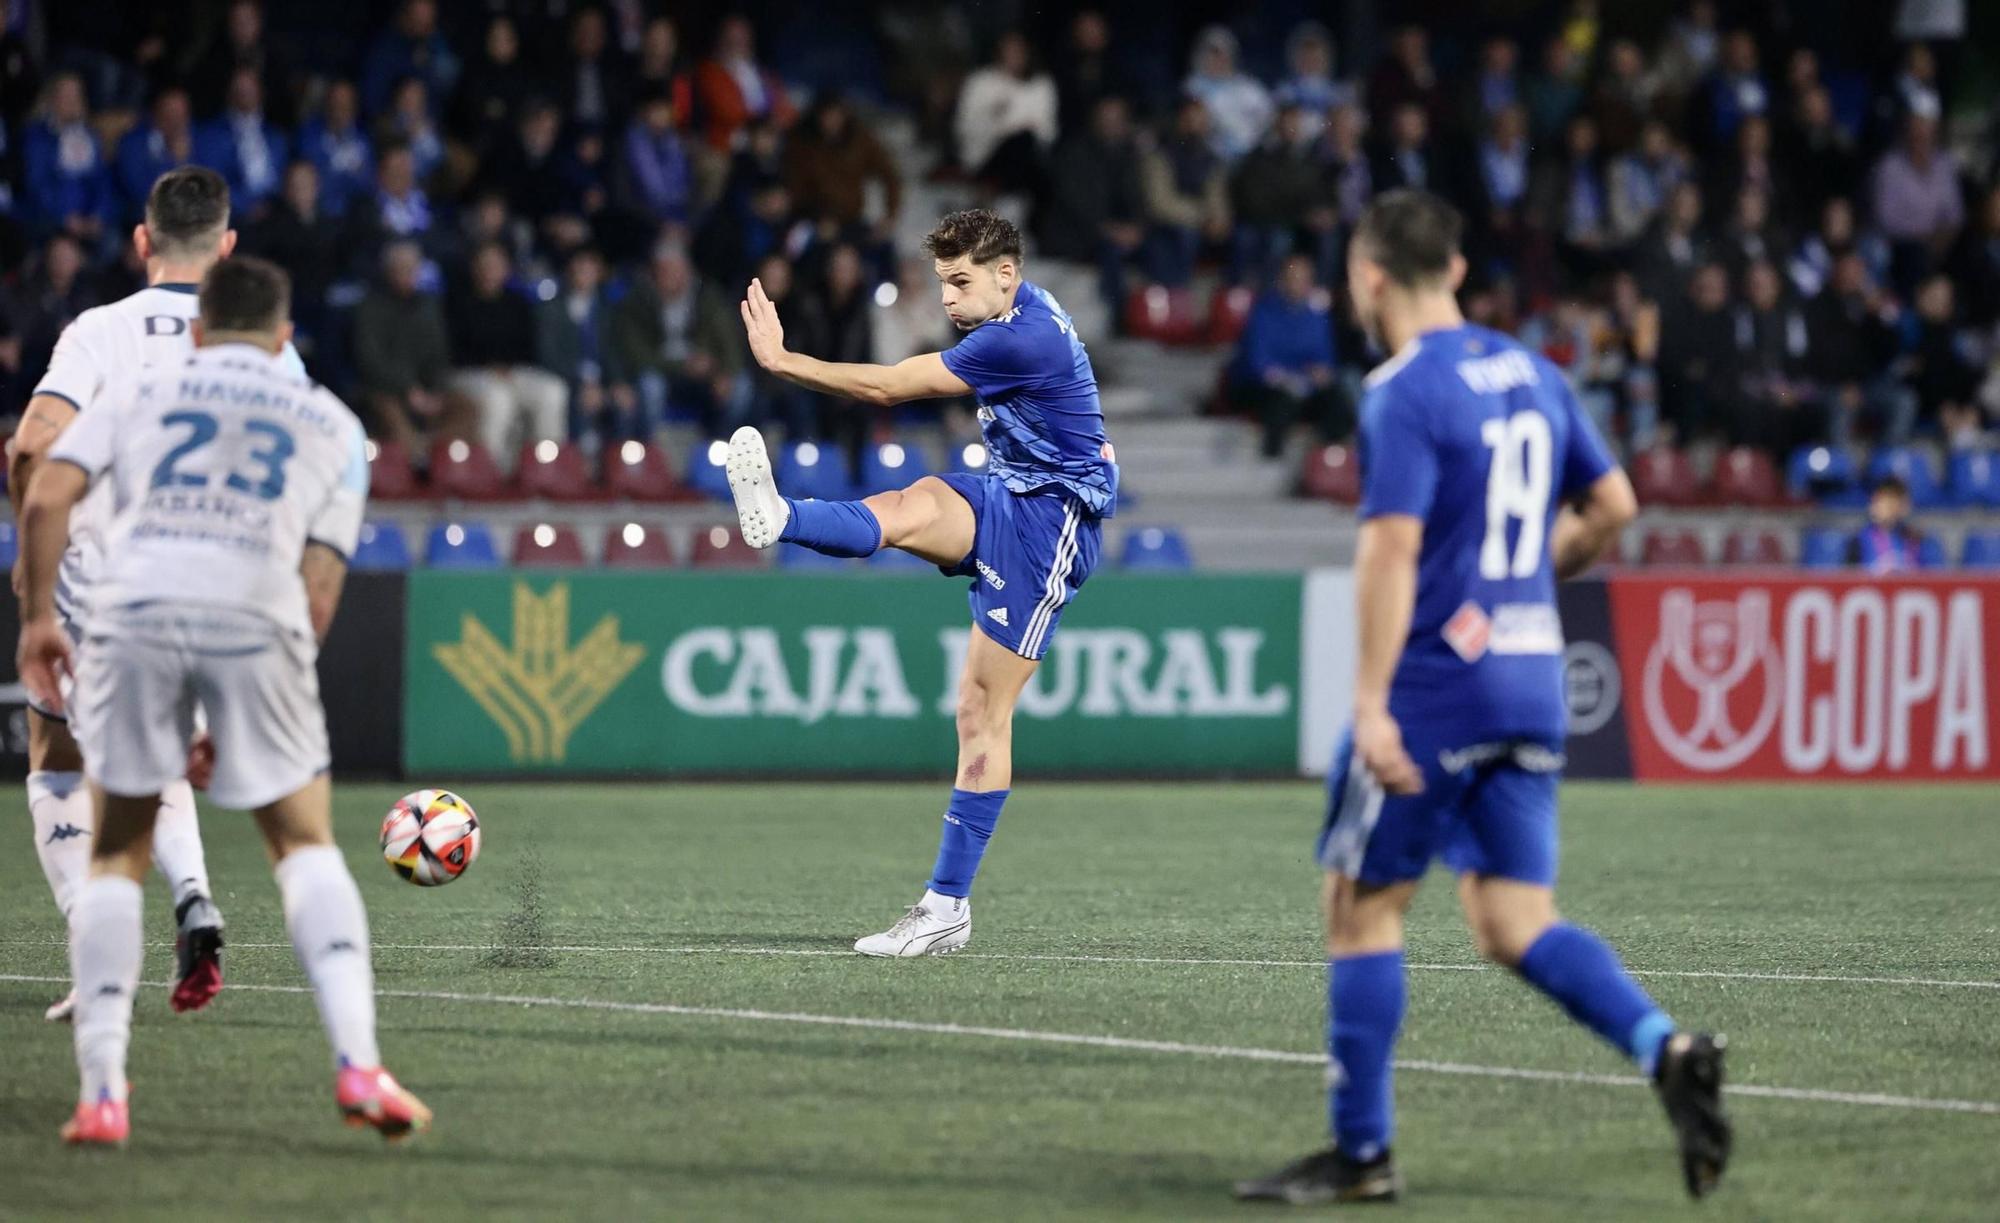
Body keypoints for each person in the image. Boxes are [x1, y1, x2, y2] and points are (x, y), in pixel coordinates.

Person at [1234, 190, 1729, 1205]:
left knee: (1360, 906)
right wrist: (1514, 588)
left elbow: (1388, 547)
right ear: (1455, 268)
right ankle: (1661, 1046)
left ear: (1370, 277)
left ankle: (1361, 1152)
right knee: (1510, 919)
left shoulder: (1402, 389)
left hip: (1436, 686)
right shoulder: (1534, 371)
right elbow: (1615, 505)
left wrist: (1370, 701)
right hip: (1531, 675)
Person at [15, 255, 429, 1147]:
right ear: (284, 340)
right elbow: (319, 589)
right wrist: (241, 711)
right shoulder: (330, 420)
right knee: (303, 843)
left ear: (198, 333)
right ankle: (360, 1063)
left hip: (131, 616)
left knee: (117, 855)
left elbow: (45, 487)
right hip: (257, 617)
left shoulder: (133, 394)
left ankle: (103, 1094)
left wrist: (40, 617)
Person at [727, 208, 1117, 956]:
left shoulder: (1020, 336)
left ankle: (946, 907)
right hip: (1011, 492)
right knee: (907, 508)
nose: (947, 298)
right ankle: (780, 517)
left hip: (1049, 527)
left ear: (1007, 275)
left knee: (980, 710)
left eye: (960, 281)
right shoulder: (1019, 311)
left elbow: (891, 387)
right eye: (942, 282)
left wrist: (784, 362)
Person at [6, 167, 311, 1026]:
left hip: (102, 578)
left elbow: (32, 444)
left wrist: (35, 558)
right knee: (163, 749)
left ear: (142, 242)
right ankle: (193, 894)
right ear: (227, 248)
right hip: (221, 579)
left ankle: (96, 957)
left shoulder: (98, 332)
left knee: (60, 757)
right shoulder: (264, 344)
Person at [447, 242, 568, 466]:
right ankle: (491, 470)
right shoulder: (456, 302)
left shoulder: (518, 303)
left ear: (507, 269)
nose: (490, 271)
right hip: (469, 373)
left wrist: (509, 368)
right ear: (475, 268)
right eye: (485, 265)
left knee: (553, 391)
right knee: (498, 400)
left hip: (513, 371)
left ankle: (545, 467)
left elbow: (528, 348)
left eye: (496, 265)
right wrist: (489, 367)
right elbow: (453, 351)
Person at [1229, 253, 1346, 456]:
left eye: (1304, 280)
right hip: (1265, 388)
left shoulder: (1316, 316)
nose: (1299, 285)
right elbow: (1258, 362)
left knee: (1337, 400)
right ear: (1282, 280)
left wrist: (1320, 373)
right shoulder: (1263, 312)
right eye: (1294, 279)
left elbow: (1325, 358)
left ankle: (1331, 459)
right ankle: (1271, 461)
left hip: (1306, 388)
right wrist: (1286, 379)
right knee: (1281, 403)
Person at [1845, 476, 1928, 571]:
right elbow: (1851, 578)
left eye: (1893, 502)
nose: (1887, 507)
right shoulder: (1858, 540)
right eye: (1883, 501)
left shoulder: (1916, 538)